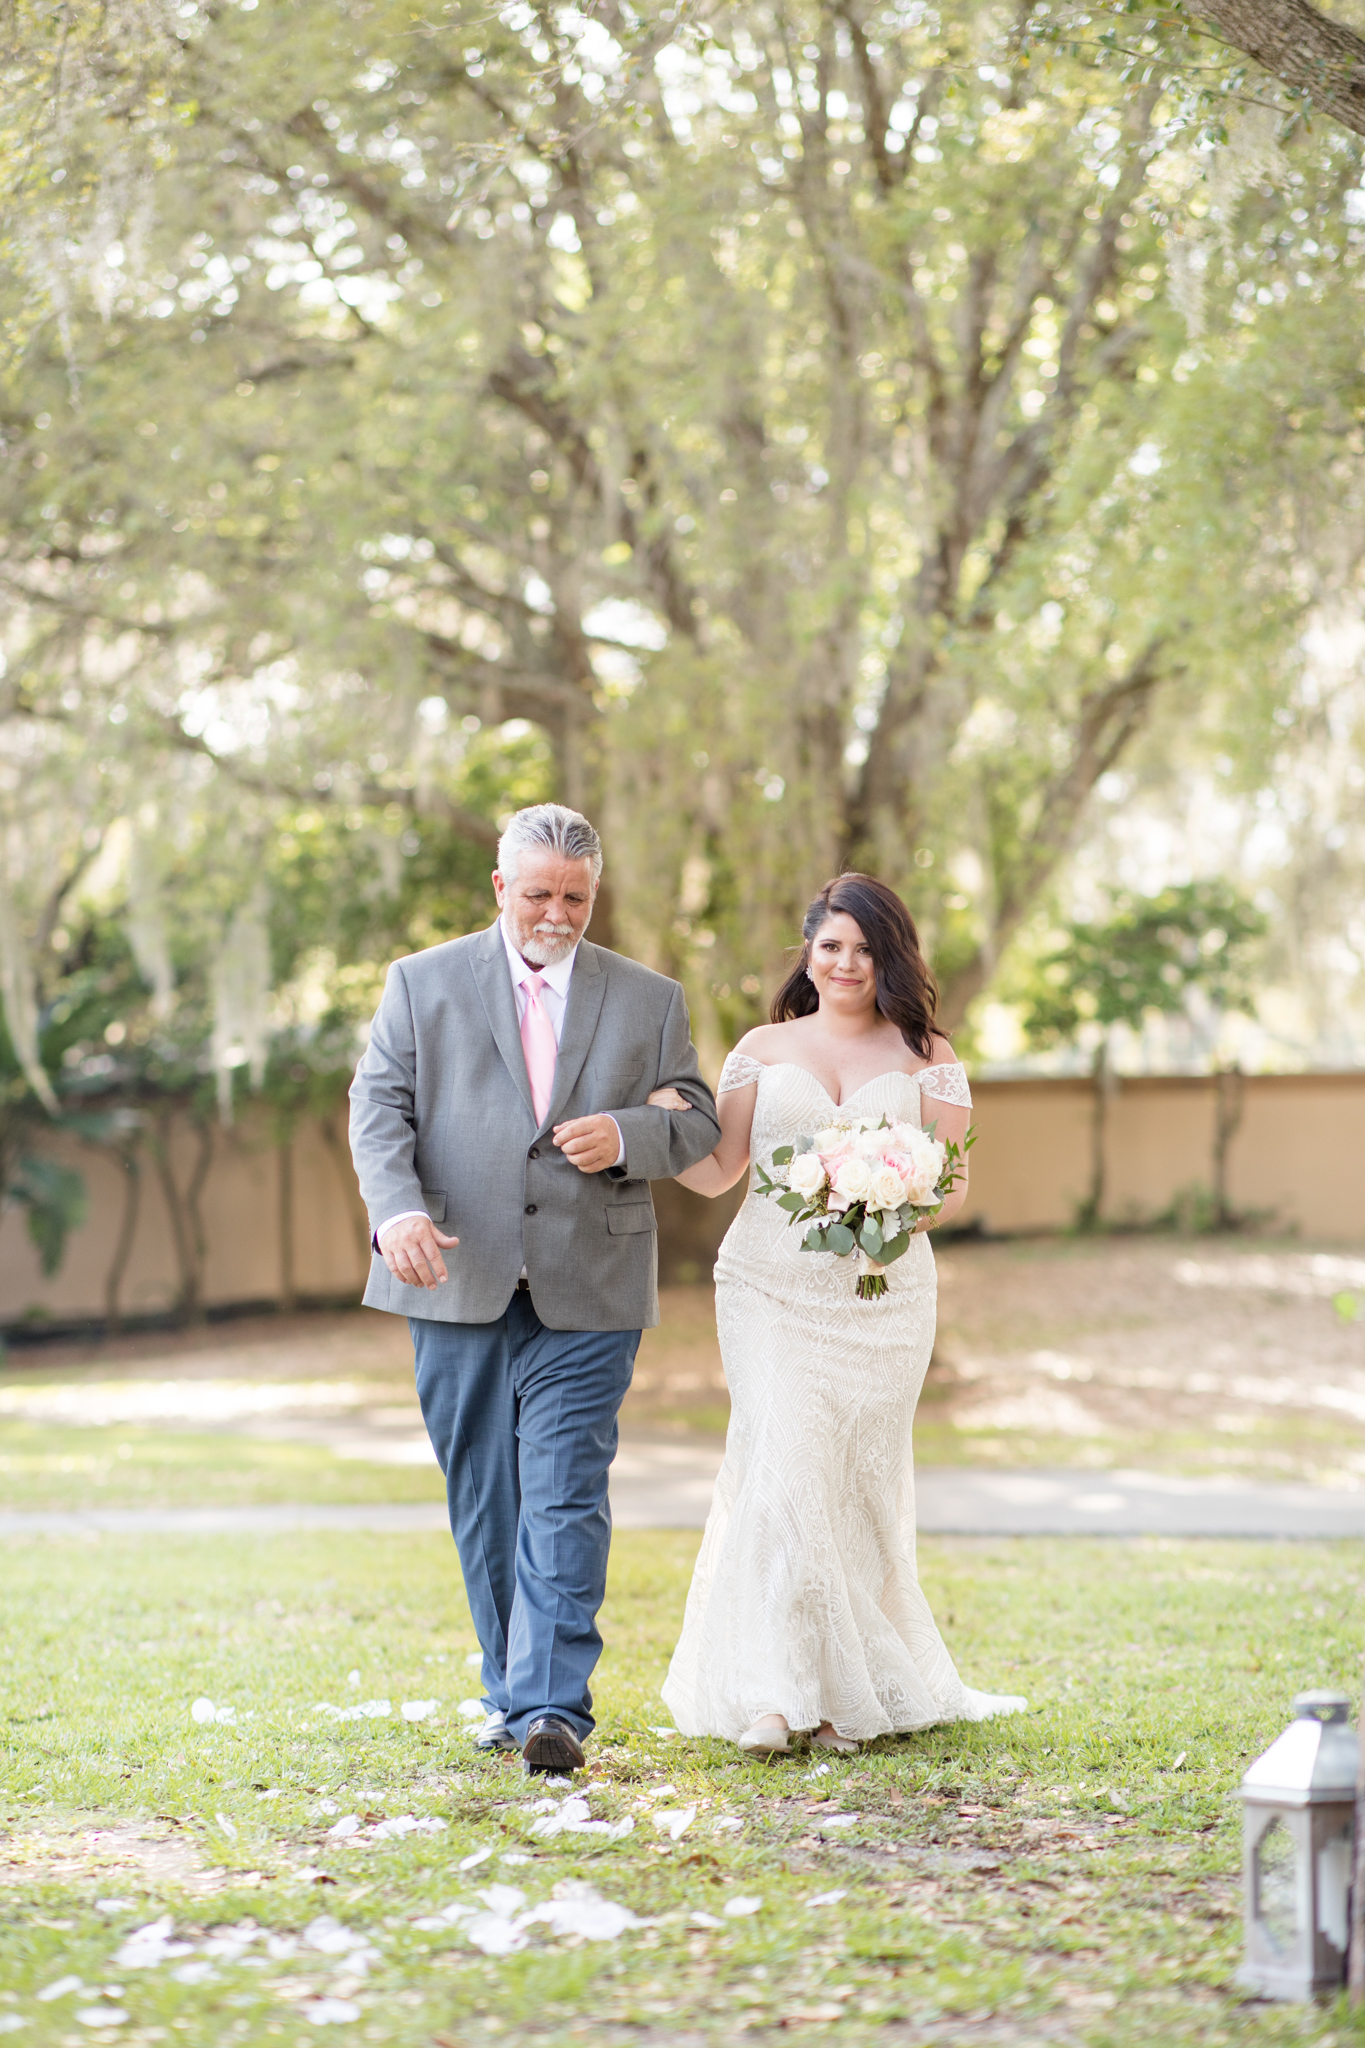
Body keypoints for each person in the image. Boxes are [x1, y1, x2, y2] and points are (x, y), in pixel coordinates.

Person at [348, 804, 720, 1775]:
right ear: (500, 888)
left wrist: (630, 1135)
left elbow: (698, 1114)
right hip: (454, 1271)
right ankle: (509, 1692)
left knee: (564, 1488)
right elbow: (376, 1105)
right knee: (487, 1495)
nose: (558, 912)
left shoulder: (650, 998)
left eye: (577, 896)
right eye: (541, 892)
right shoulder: (420, 984)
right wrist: (394, 1211)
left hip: (590, 1277)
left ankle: (553, 1707)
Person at [656, 873, 1026, 1756]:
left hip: (883, 1298)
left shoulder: (926, 1053)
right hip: (766, 1289)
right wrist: (660, 1129)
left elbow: (952, 1184)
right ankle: (778, 1699)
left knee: (847, 1486)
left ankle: (833, 1699)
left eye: (864, 949)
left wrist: (884, 1198)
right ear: (809, 954)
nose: (846, 963)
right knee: (784, 1465)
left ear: (887, 957)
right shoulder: (759, 1046)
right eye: (831, 946)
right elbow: (718, 1172)